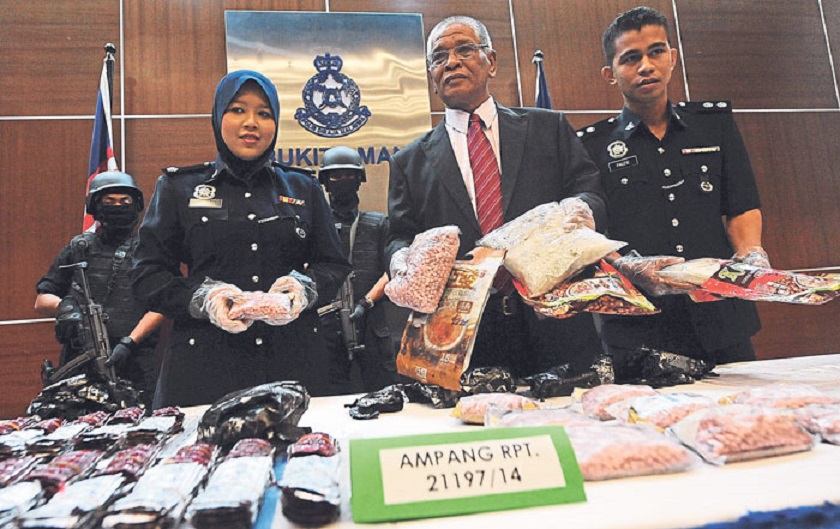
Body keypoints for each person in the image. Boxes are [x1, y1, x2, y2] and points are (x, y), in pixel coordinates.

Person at [386, 16, 607, 377]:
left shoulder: (547, 128)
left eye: (464, 50)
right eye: (439, 57)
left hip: (556, 320)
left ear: (492, 61)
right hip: (461, 337)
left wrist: (582, 207)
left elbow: (589, 188)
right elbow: (398, 235)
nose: (452, 62)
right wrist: (400, 260)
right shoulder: (409, 162)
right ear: (431, 75)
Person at [131, 70, 351, 407]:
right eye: (237, 110)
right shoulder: (179, 188)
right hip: (205, 367)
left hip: (294, 362)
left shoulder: (303, 187)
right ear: (218, 117)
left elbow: (333, 265)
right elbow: (147, 276)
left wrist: (303, 291)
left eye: (264, 113)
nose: (251, 122)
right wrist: (202, 299)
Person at [578, 6, 766, 368]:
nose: (646, 65)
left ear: (673, 57)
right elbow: (589, 237)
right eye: (630, 58)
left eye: (656, 52)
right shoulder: (590, 146)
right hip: (640, 324)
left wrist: (751, 254)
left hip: (721, 315)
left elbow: (741, 204)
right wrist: (627, 267)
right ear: (610, 74)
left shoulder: (714, 126)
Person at [35, 171, 164, 407]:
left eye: (125, 201)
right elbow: (42, 300)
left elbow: (161, 306)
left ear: (136, 206)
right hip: (80, 355)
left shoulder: (149, 250)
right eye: (109, 201)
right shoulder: (79, 247)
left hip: (135, 359)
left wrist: (129, 342)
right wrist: (67, 307)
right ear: (95, 206)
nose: (118, 206)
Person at [317, 146, 400, 393]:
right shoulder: (317, 227)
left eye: (349, 176)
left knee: (383, 392)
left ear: (359, 180)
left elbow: (392, 270)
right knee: (330, 396)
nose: (343, 182)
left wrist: (367, 302)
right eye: (335, 177)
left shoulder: (378, 224)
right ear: (325, 183)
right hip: (328, 327)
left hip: (372, 325)